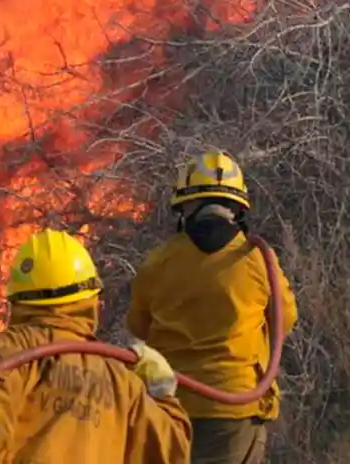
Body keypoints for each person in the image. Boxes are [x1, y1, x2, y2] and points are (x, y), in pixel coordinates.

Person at [0, 229, 194, 463]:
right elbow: (173, 450)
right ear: (91, 300)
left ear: (19, 302)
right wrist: (162, 389)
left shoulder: (19, 348)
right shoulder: (122, 381)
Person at [127, 148, 300, 464]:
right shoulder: (257, 260)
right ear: (237, 208)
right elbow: (284, 321)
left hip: (171, 406)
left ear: (185, 207)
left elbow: (138, 327)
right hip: (235, 411)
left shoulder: (159, 263)